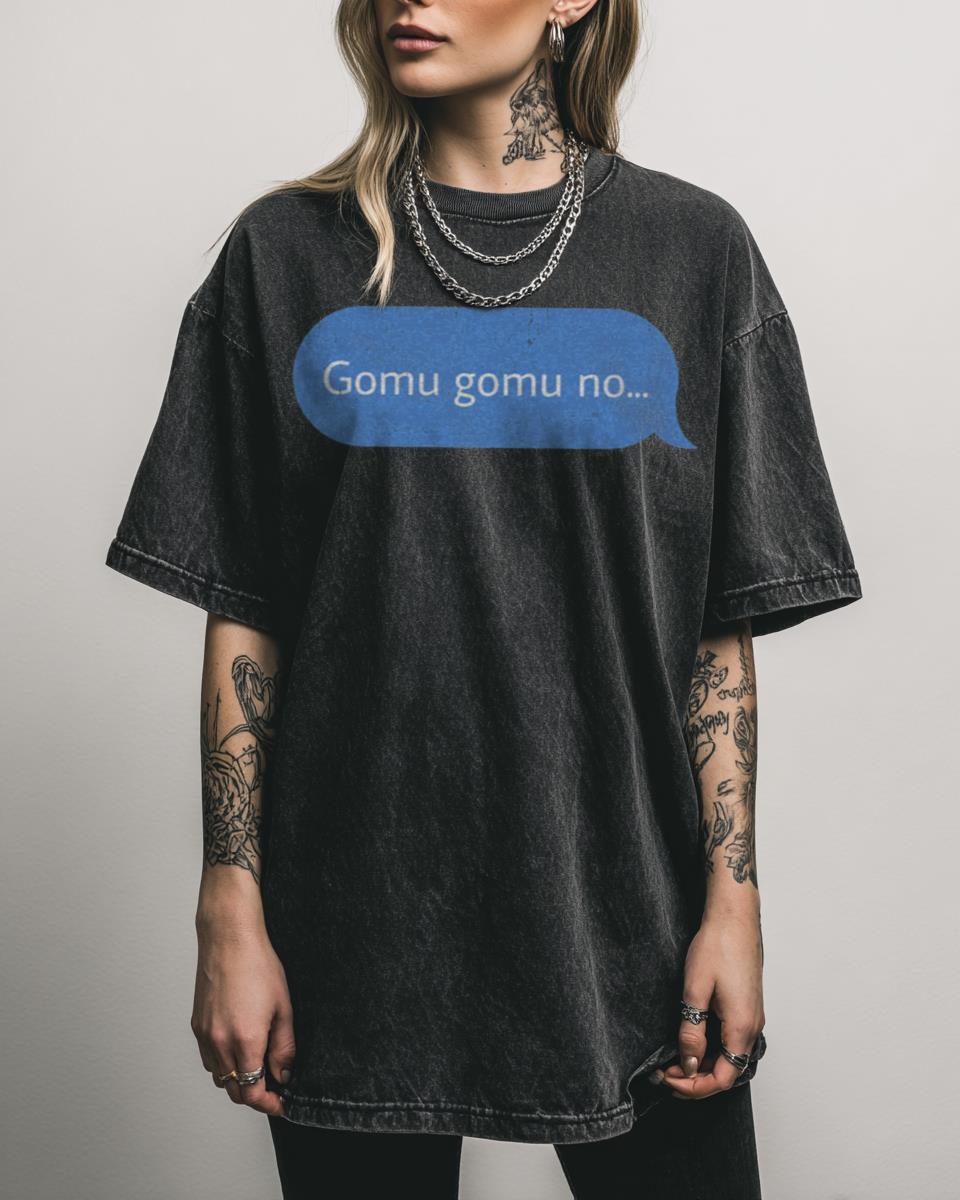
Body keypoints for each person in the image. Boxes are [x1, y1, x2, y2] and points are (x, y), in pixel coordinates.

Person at [104, 0, 863, 1196]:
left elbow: (715, 631)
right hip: (351, 925)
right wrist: (229, 905)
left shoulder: (693, 251)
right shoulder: (285, 254)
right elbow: (245, 608)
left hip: (630, 917)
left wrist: (734, 902)